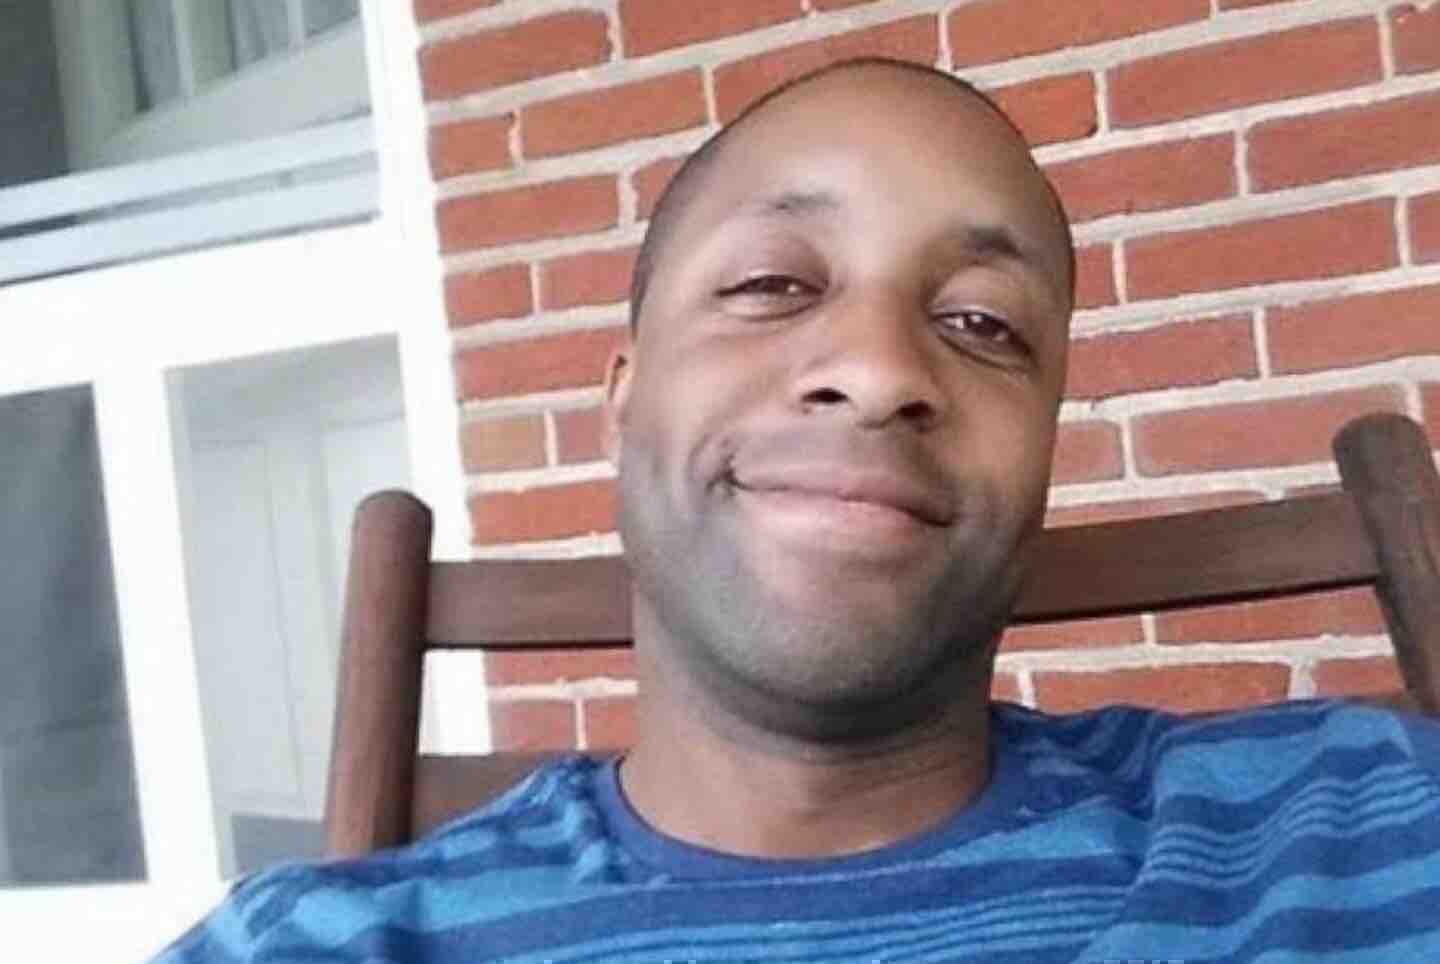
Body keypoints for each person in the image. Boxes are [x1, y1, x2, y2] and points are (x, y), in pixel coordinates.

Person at [155, 58, 1440, 963]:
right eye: (772, 283)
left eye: (983, 323)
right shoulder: (312, 945)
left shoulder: (1357, 820)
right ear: (625, 395)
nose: (878, 370)